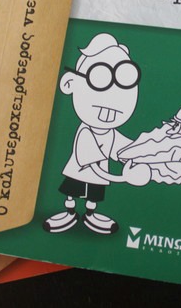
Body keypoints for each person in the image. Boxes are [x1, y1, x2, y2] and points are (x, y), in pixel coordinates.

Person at [43, 32, 150, 235]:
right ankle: (69, 212)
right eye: (99, 78)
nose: (112, 97)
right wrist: (124, 176)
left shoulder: (111, 133)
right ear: (69, 83)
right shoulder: (86, 132)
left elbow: (122, 148)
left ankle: (91, 215)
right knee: (72, 191)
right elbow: (92, 164)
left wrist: (140, 155)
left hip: (98, 176)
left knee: (94, 196)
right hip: (80, 172)